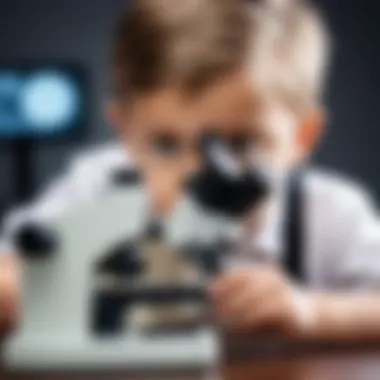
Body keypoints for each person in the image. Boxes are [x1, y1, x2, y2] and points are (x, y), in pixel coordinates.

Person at [1, 0, 380, 339]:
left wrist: (313, 312)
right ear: (124, 132)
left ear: (301, 135)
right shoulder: (98, 183)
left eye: (240, 144)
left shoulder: (330, 213)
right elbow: (8, 273)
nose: (197, 174)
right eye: (166, 144)